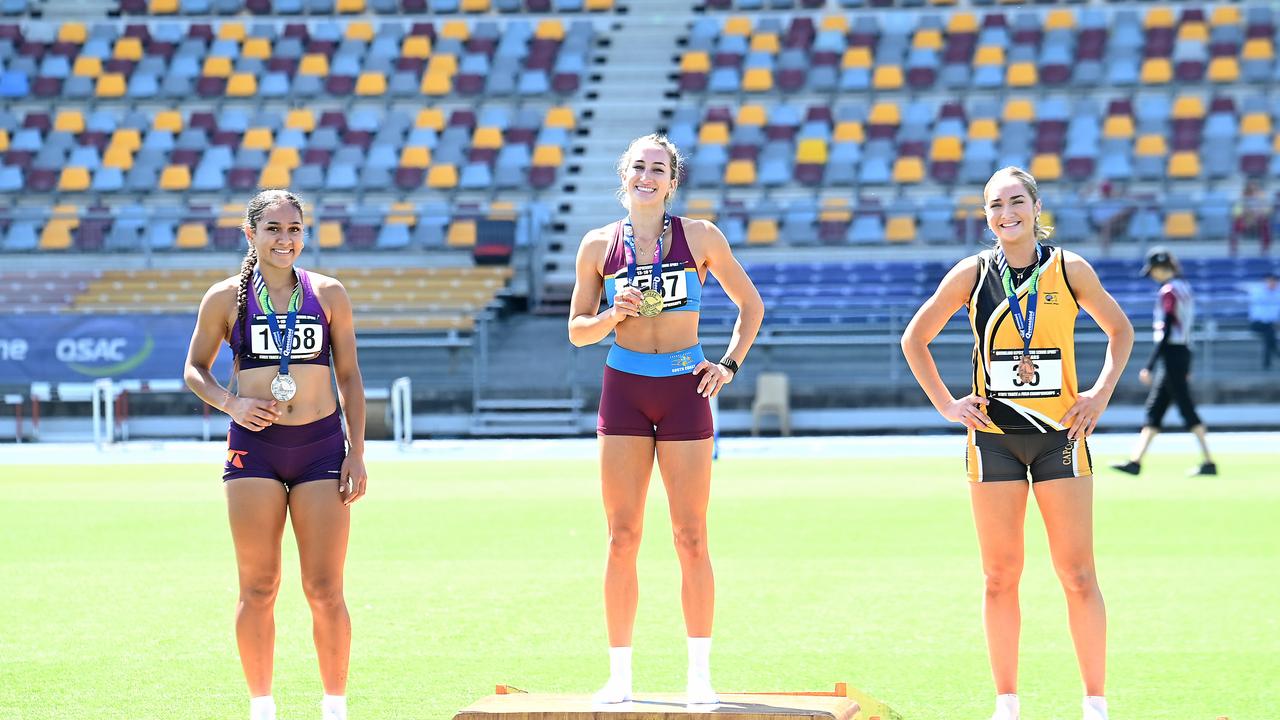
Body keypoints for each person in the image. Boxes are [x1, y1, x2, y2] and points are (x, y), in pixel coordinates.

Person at [901, 167, 1134, 720]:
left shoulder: (1069, 269)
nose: (1006, 214)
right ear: (985, 216)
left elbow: (1120, 330)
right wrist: (946, 405)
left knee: (1078, 574)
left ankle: (1095, 703)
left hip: (1061, 438)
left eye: (1015, 202)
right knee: (1000, 576)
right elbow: (915, 338)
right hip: (994, 443)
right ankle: (1007, 703)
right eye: (994, 205)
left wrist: (1100, 394)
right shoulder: (973, 274)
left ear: (1035, 207)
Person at [568, 134, 764, 706]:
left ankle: (699, 677)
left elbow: (750, 304)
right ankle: (620, 678)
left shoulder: (700, 236)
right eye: (638, 167)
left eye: (658, 169)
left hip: (685, 391)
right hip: (624, 391)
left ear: (672, 182)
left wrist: (728, 365)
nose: (646, 177)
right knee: (622, 535)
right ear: (623, 175)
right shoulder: (597, 245)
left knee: (691, 536)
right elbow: (578, 331)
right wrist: (613, 312)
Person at [184, 190, 368, 720]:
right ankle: (261, 709)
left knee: (325, 588)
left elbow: (350, 376)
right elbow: (195, 368)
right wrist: (231, 402)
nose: (284, 239)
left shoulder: (328, 293)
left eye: (294, 229)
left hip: (321, 450)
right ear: (250, 235)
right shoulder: (225, 298)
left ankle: (335, 708)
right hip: (255, 452)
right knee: (258, 585)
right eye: (272, 229)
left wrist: (357, 451)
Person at [1112, 247, 1217, 477]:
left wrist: (1150, 364)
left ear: (1161, 268)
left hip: (1171, 354)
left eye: (1153, 271)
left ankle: (1209, 461)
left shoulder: (1169, 291)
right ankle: (1135, 461)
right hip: (1182, 352)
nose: (1152, 276)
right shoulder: (1185, 288)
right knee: (1156, 409)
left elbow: (1168, 327)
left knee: (1185, 408)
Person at [1245, 271, 1280, 370]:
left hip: (1271, 324)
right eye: (1269, 281)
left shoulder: (1278, 294)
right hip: (1257, 323)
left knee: (1269, 336)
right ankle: (1276, 354)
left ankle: (1267, 363)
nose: (1272, 283)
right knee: (1269, 333)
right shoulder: (1258, 292)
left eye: (1274, 281)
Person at [1230, 181, 1272, 256]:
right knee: (1235, 225)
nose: (1252, 191)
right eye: (1250, 189)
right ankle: (1234, 249)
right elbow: (1236, 211)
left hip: (1258, 219)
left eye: (1254, 189)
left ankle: (1265, 249)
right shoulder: (1242, 198)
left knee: (1265, 224)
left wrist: (1260, 212)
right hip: (1245, 219)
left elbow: (1267, 210)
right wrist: (1244, 213)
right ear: (1247, 189)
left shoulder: (1261, 198)